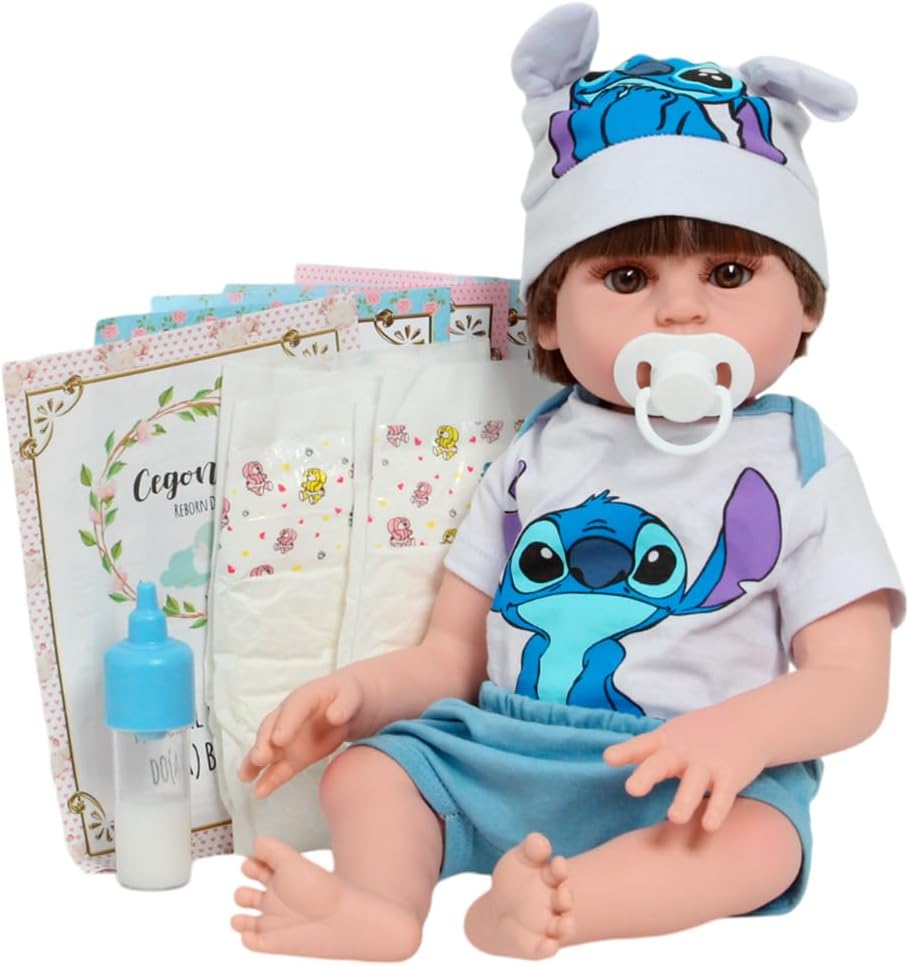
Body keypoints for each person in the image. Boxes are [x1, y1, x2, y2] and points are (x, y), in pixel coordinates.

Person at [229, 4, 904, 959]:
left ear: (805, 307)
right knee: (371, 774)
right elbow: (451, 655)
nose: (680, 311)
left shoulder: (801, 459)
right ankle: (379, 904)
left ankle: (561, 904)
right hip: (501, 750)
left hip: (689, 776)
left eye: (727, 272)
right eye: (627, 278)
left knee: (761, 843)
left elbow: (849, 684)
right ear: (545, 319)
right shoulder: (534, 450)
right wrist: (358, 695)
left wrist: (742, 735)